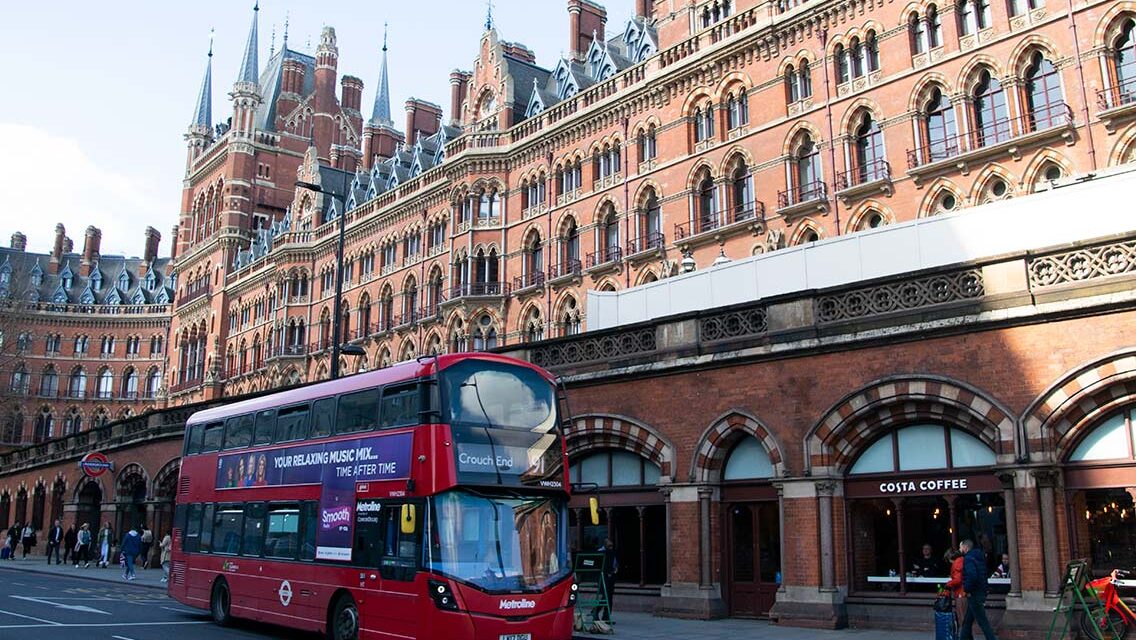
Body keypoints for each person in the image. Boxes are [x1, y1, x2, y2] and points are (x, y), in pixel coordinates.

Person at [960, 539, 999, 640]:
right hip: (981, 591)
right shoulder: (979, 558)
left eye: (961, 547)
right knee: (968, 621)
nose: (960, 549)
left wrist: (966, 589)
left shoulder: (968, 558)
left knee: (983, 622)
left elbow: (972, 576)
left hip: (974, 594)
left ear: (965, 548)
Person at [592, 537, 618, 622]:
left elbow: (614, 562)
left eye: (612, 546)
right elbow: (597, 564)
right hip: (603, 576)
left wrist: (615, 569)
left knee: (609, 596)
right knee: (605, 595)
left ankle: (606, 616)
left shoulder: (612, 553)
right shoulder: (600, 552)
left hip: (611, 575)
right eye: (609, 546)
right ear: (605, 545)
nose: (611, 548)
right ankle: (596, 611)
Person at [944, 548, 968, 626]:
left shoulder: (957, 563)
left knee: (962, 618)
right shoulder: (963, 560)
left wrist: (949, 584)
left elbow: (958, 580)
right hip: (965, 592)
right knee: (966, 619)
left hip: (960, 593)